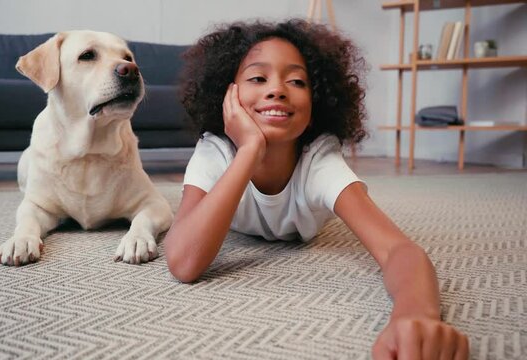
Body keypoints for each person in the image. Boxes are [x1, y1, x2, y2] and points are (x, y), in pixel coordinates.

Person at [164, 19, 469, 359]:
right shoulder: (215, 150)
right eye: (257, 78)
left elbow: (398, 250)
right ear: (227, 96)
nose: (277, 89)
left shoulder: (319, 161)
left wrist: (415, 315)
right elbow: (183, 261)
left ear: (314, 106)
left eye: (297, 81)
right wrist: (249, 150)